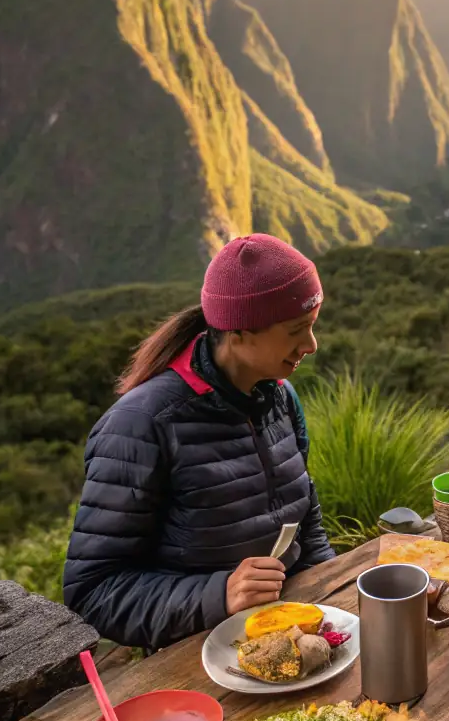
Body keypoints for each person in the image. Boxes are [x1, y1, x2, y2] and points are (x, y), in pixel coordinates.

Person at [63, 234, 335, 651]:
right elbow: (93, 593)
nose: (311, 346)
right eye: (298, 330)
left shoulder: (279, 396)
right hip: (198, 655)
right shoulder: (139, 427)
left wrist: (333, 599)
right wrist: (219, 594)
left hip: (295, 631)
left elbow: (304, 517)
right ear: (239, 331)